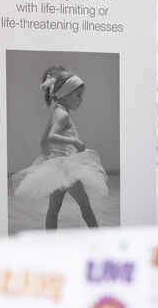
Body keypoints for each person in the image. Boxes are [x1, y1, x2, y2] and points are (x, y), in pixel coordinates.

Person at [13, 66, 108, 229]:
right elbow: (52, 136)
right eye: (78, 95)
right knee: (84, 204)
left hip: (57, 167)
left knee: (54, 209)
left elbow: (45, 137)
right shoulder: (62, 115)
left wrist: (44, 147)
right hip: (66, 168)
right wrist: (75, 142)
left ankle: (51, 241)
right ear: (65, 95)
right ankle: (97, 234)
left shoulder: (57, 110)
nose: (81, 100)